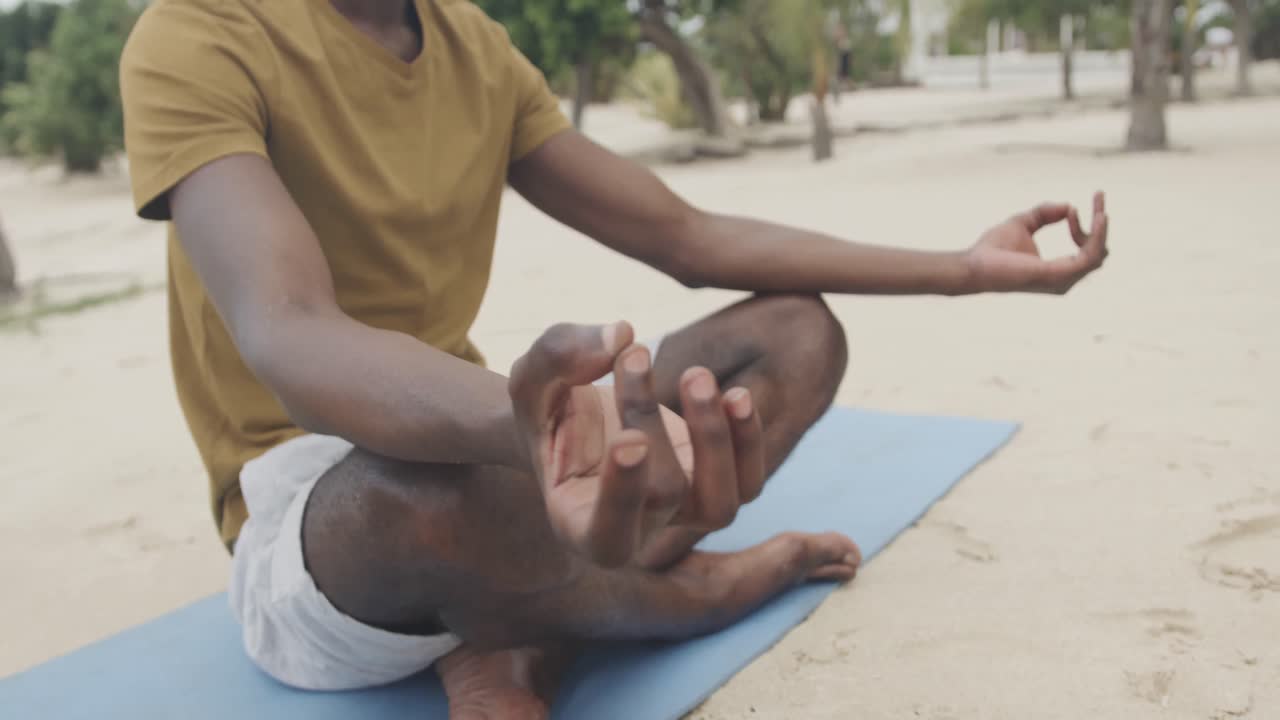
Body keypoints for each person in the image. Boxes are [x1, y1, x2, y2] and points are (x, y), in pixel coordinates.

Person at [118, 0, 1109, 716]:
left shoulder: (474, 45)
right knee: (413, 496)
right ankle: (682, 594)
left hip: (492, 463)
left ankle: (527, 619)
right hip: (323, 519)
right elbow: (290, 331)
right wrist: (542, 428)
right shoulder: (196, 35)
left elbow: (685, 234)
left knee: (795, 331)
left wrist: (965, 269)